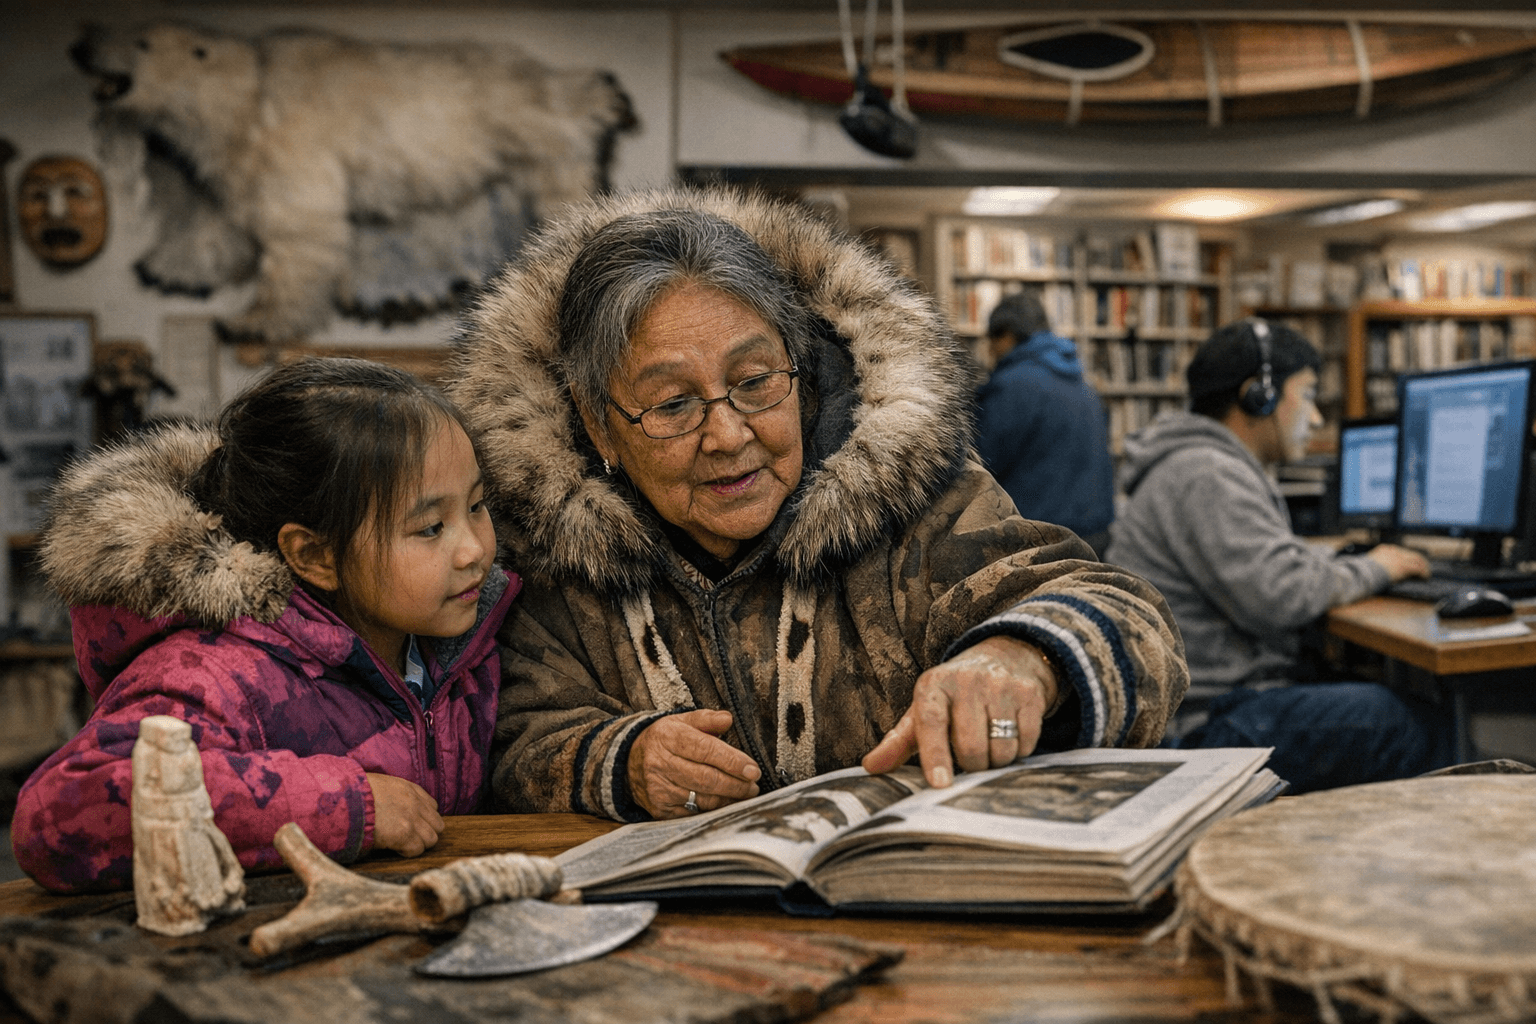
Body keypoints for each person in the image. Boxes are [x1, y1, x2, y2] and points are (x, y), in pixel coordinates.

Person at [448, 188, 1187, 823]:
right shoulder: (543, 548)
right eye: (673, 403)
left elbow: (1127, 618)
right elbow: (513, 733)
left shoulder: (912, 496)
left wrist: (1021, 656)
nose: (729, 435)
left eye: (757, 380)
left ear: (802, 365)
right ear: (599, 420)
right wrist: (622, 760)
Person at [13, 358, 518, 892]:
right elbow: (60, 814)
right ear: (314, 555)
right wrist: (346, 807)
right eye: (431, 527)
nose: (475, 550)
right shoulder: (218, 671)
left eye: (478, 505)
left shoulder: (456, 640)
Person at [1104, 319, 1454, 793]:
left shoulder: (1202, 465)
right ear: (1259, 396)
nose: (1315, 419)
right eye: (1307, 395)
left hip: (1202, 707)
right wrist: (1378, 566)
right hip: (1200, 726)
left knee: (1358, 691)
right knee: (1411, 722)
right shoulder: (1206, 473)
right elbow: (1282, 594)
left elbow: (1278, 565)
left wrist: (1342, 566)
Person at [975, 289, 1115, 555]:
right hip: (1094, 535)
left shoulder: (1013, 384)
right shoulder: (1078, 378)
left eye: (992, 340)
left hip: (1043, 538)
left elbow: (983, 463)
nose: (990, 351)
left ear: (1007, 335)